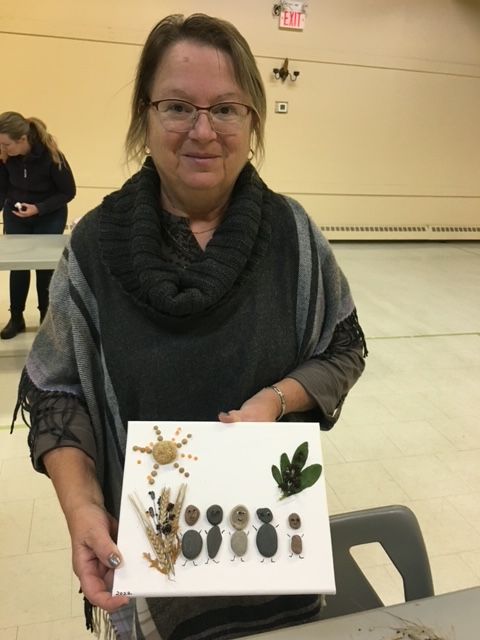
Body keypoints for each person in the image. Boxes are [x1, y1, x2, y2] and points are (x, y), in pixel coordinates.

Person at [12, 13, 367, 640]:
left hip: (268, 558)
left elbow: (342, 348)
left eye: (225, 109)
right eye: (178, 107)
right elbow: (58, 391)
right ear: (144, 117)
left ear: (253, 122)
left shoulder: (294, 238)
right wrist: (82, 507)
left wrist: (275, 399)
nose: (203, 131)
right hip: (148, 562)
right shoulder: (96, 246)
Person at [0, 111, 76, 339]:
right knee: (17, 267)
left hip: (48, 215)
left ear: (22, 140)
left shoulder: (52, 156)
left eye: (6, 144)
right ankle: (16, 317)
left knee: (45, 268)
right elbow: (2, 189)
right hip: (15, 215)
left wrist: (39, 208)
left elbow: (68, 192)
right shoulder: (6, 158)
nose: (3, 148)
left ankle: (46, 318)